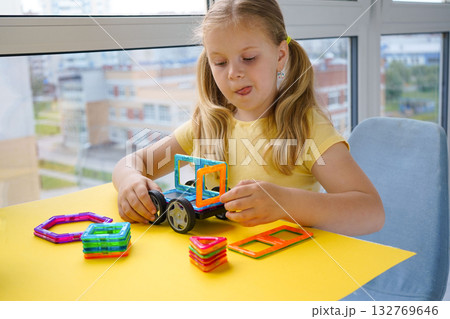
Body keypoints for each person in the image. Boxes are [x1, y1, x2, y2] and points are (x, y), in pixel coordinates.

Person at [112, 0, 384, 236]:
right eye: (220, 62)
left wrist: (283, 202)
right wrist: (129, 181)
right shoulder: (207, 125)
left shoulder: (306, 126)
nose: (233, 73)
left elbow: (370, 211)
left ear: (280, 56)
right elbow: (131, 162)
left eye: (249, 58)